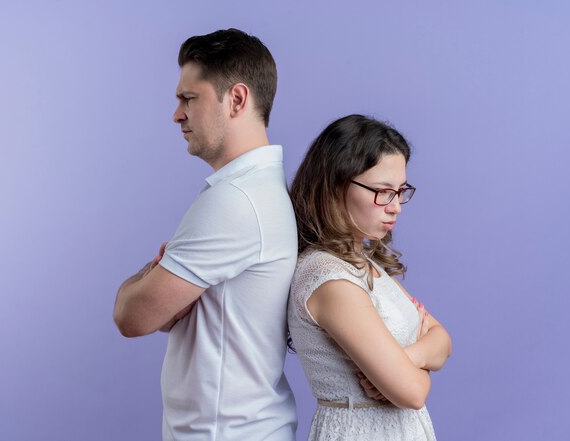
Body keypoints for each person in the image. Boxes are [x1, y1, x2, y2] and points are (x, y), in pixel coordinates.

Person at [113, 28, 298, 441]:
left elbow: (132, 316)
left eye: (188, 99)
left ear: (236, 99)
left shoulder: (236, 201)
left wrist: (149, 275)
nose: (176, 114)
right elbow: (169, 313)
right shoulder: (256, 190)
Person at [288, 114, 452, 440]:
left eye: (400, 191)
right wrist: (415, 367)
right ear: (335, 186)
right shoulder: (329, 279)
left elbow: (443, 340)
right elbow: (413, 392)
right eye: (382, 191)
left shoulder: (363, 261)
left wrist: (407, 358)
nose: (396, 207)